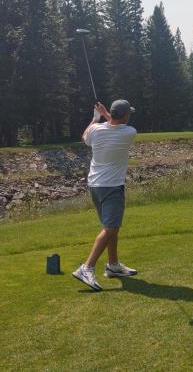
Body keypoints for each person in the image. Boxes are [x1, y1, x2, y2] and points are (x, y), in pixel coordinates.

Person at [72, 99, 140, 291]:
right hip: (112, 187)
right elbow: (115, 123)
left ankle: (113, 265)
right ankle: (87, 268)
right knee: (110, 228)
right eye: (128, 113)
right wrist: (104, 114)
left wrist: (96, 118)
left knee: (112, 227)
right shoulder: (129, 132)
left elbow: (85, 136)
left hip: (95, 185)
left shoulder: (96, 129)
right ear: (125, 116)